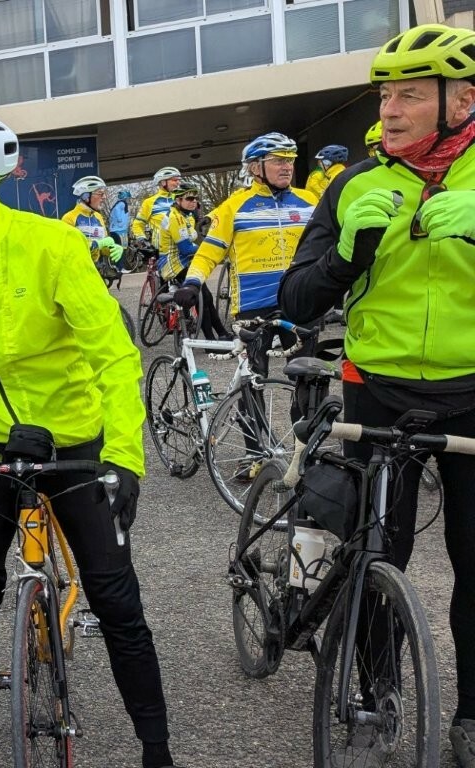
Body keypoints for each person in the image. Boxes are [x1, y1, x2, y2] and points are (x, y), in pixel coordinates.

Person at [0, 106, 180, 768]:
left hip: (73, 444)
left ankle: (157, 750)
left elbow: (115, 357)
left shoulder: (52, 246)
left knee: (116, 598)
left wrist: (124, 458)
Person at [278, 23, 475, 768]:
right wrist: (345, 258)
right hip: (377, 391)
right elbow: (296, 299)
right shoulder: (354, 183)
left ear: (462, 102)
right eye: (386, 94)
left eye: (411, 95)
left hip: (472, 390)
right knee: (373, 554)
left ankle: (472, 715)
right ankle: (373, 693)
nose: (390, 109)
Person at [173, 131, 318, 372]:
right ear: (255, 167)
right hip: (254, 305)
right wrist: (192, 283)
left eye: (290, 160)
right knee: (254, 377)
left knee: (308, 377)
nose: (287, 167)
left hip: (300, 299)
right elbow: (208, 252)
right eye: (278, 160)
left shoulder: (310, 201)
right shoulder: (234, 206)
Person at [157, 182, 229, 341]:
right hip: (173, 264)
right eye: (189, 199)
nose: (194, 201)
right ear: (178, 200)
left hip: (184, 261)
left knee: (207, 298)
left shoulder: (186, 216)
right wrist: (210, 248)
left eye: (196, 199)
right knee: (202, 297)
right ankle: (210, 340)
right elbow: (186, 248)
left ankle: (222, 333)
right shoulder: (175, 218)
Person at [61, 174, 127, 274]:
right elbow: (69, 249)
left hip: (96, 271)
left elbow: (103, 248)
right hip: (76, 272)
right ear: (86, 196)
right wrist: (97, 244)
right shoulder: (69, 218)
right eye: (100, 193)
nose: (104, 197)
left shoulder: (98, 217)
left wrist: (113, 248)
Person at [131, 166, 181, 245]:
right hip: (161, 248)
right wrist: (141, 239)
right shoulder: (149, 202)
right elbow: (137, 224)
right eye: (174, 180)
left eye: (179, 180)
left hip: (182, 246)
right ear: (163, 182)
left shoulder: (180, 199)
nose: (178, 183)